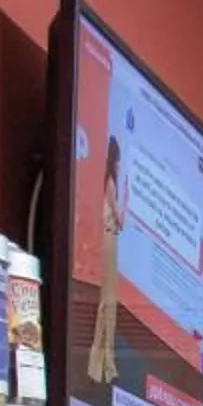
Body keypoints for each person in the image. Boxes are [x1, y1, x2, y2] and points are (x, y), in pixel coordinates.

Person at [86, 137, 126, 387]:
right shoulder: (111, 183)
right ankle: (103, 364)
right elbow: (119, 220)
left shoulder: (106, 182)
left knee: (107, 303)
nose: (121, 165)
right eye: (119, 161)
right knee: (108, 304)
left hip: (108, 242)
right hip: (109, 242)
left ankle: (102, 365)